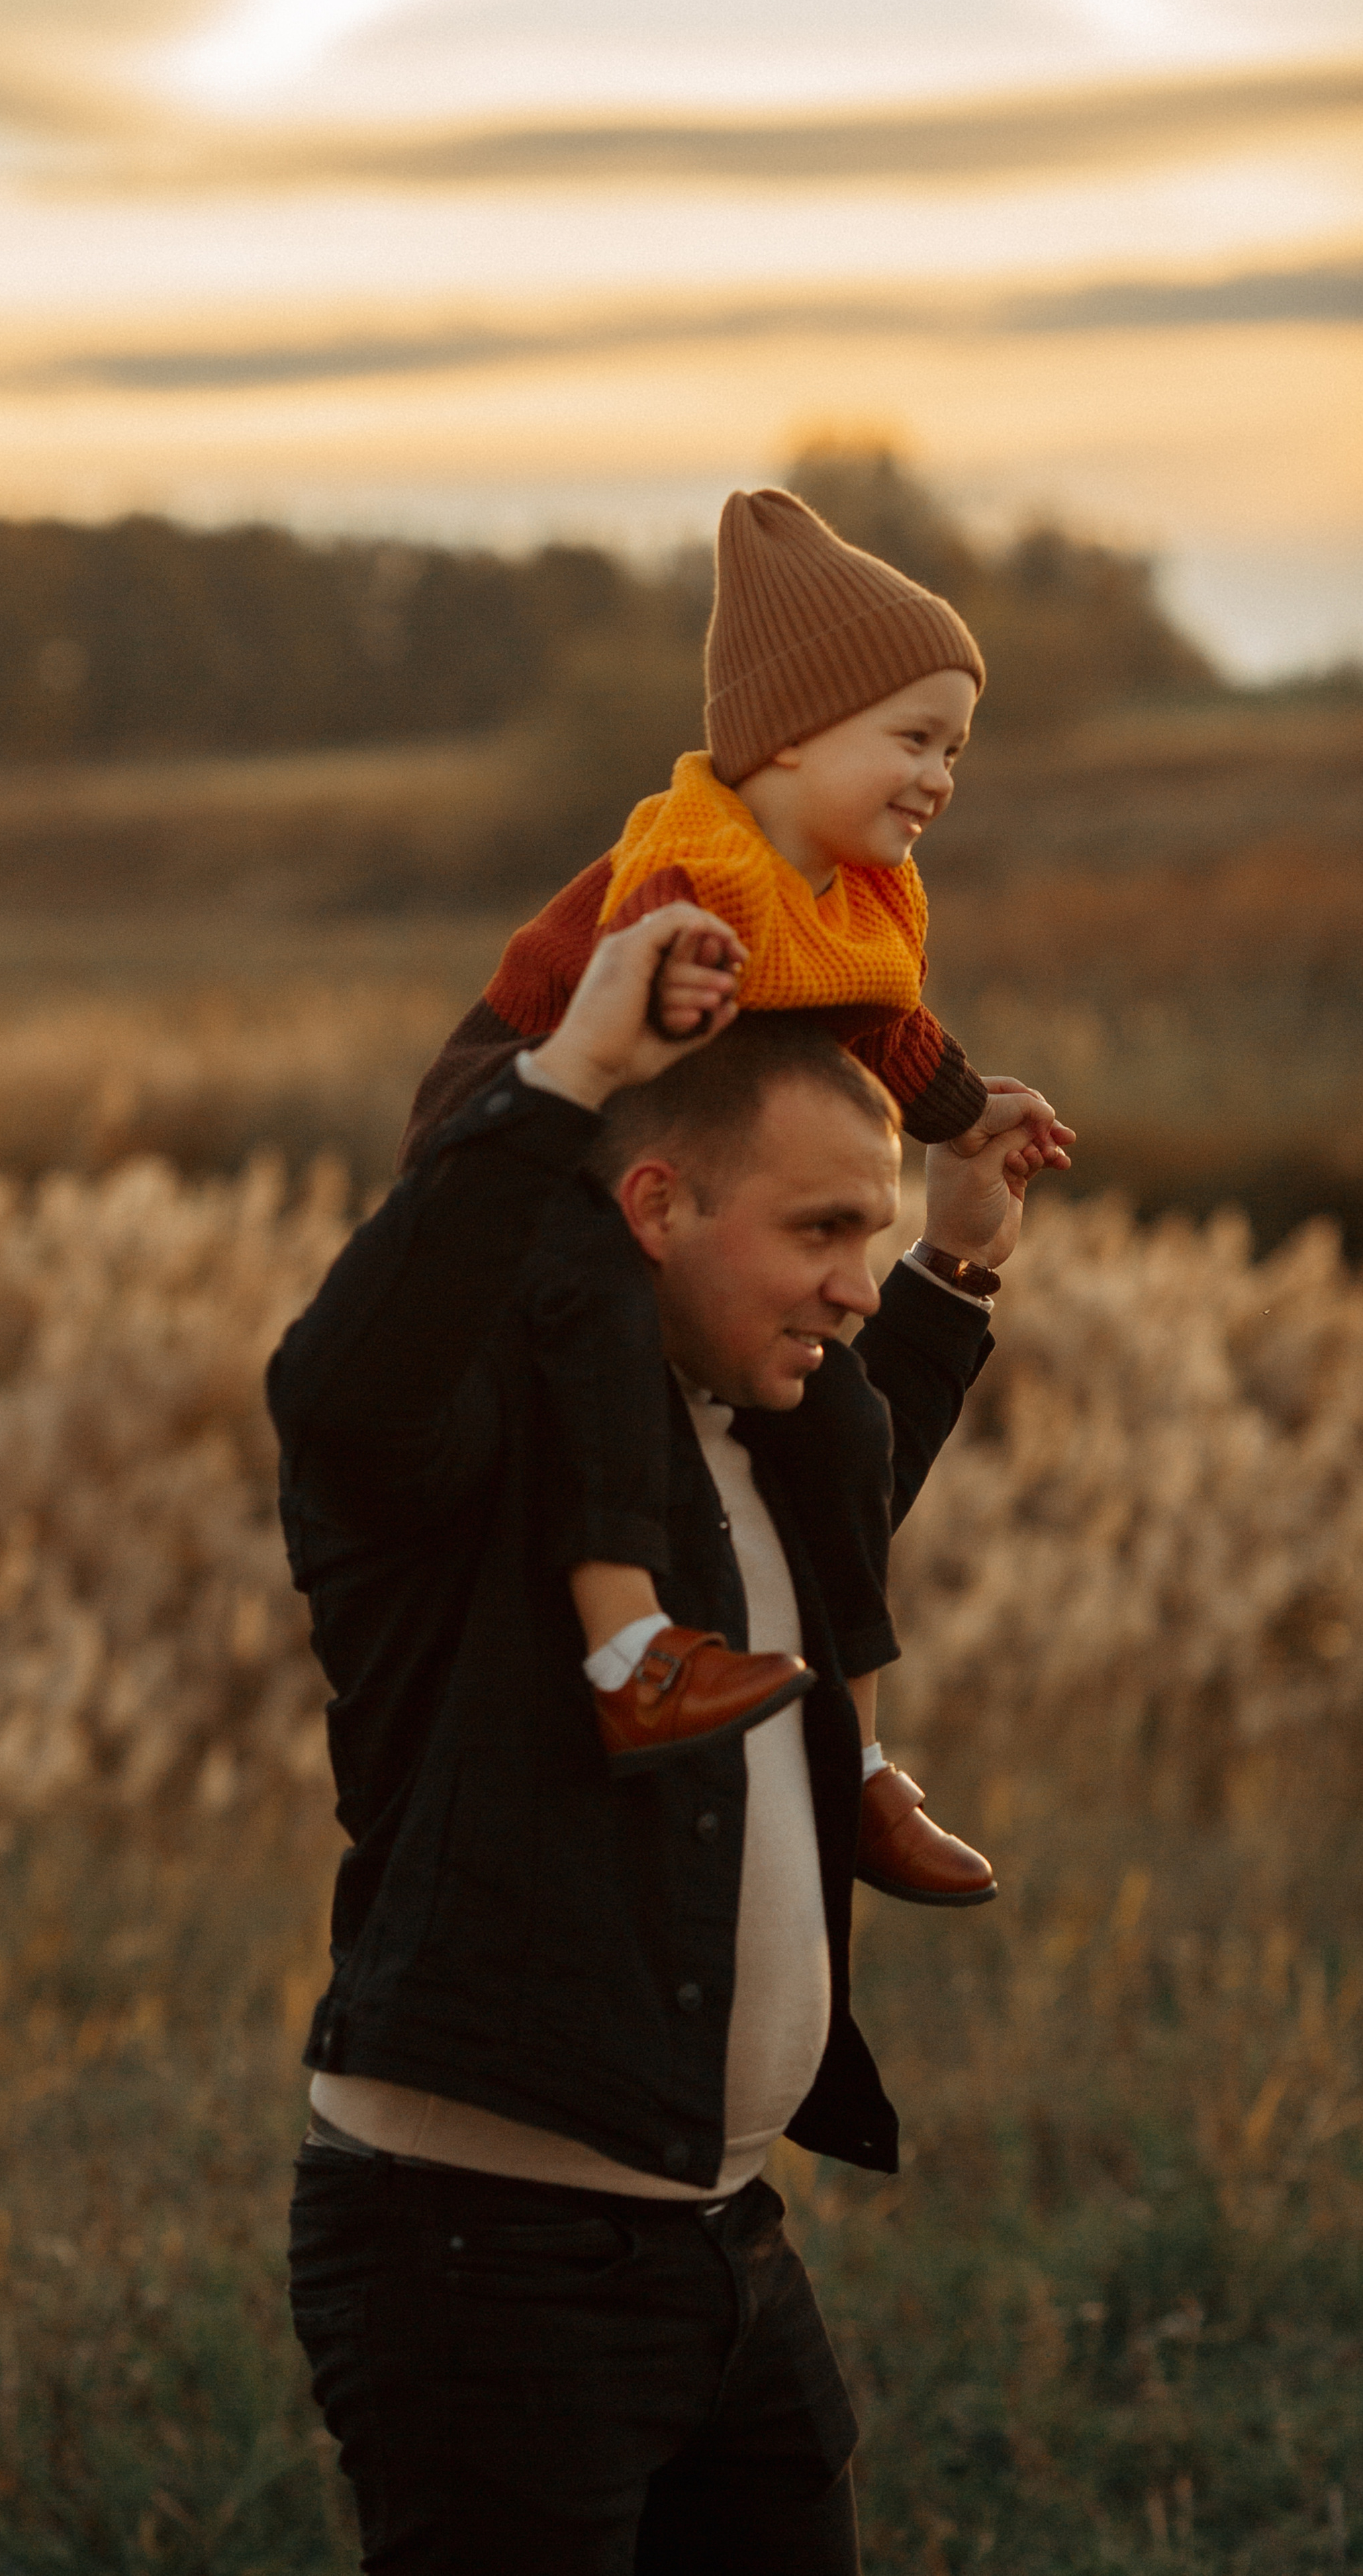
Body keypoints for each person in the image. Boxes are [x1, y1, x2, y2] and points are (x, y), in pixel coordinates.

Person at [267, 905, 1069, 2572]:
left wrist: (956, 1258)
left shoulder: (735, 1440)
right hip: (488, 2270)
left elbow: (844, 1513)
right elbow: (343, 1389)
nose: (854, 1280)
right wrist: (566, 1077)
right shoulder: (481, 1474)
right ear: (654, 1202)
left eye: (875, 1232)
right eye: (822, 1229)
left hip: (720, 2249)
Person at [397, 486, 1055, 1904]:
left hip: (667, 1130)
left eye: (954, 747)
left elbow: (883, 1024)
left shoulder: (862, 895)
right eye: (912, 740)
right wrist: (690, 1002)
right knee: (591, 1322)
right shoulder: (694, 856)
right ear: (789, 737)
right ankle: (628, 1648)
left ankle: (861, 1763)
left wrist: (963, 1114)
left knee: (840, 1418)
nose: (939, 775)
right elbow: (638, 1005)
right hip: (535, 1118)